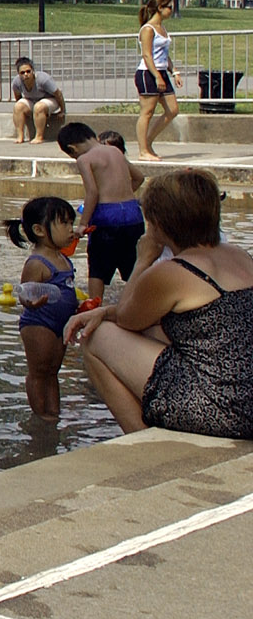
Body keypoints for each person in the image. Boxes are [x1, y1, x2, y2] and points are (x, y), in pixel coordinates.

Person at [65, 168, 253, 440]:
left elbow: (128, 318)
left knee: (97, 337)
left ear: (160, 224)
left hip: (225, 411)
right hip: (244, 399)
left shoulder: (175, 271)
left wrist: (143, 259)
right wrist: (105, 311)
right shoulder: (240, 256)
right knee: (156, 330)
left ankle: (142, 441)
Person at [5, 195, 82, 421]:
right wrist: (31, 302)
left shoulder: (61, 258)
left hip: (60, 323)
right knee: (39, 372)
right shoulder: (37, 262)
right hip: (39, 324)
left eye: (71, 223)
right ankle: (40, 415)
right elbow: (24, 294)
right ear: (39, 230)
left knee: (53, 372)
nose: (71, 229)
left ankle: (54, 412)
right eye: (65, 224)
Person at [60, 121, 146, 302]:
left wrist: (83, 224)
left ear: (72, 148)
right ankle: (140, 302)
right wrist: (124, 193)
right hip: (133, 215)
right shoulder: (115, 151)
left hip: (106, 217)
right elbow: (139, 177)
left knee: (98, 268)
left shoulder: (85, 159)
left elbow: (92, 192)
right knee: (134, 265)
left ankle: (94, 306)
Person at [135, 0, 180, 160]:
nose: (171, 11)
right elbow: (147, 55)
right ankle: (142, 151)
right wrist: (156, 76)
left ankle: (148, 141)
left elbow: (163, 54)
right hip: (148, 73)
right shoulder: (148, 29)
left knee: (173, 110)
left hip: (161, 71)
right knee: (147, 112)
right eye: (169, 7)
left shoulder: (162, 29)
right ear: (160, 8)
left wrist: (173, 71)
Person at [11, 57, 66, 145]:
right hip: (32, 100)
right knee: (18, 106)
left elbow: (58, 94)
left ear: (33, 71)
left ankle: (39, 136)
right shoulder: (16, 82)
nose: (26, 74)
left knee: (39, 107)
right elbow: (18, 97)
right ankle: (20, 136)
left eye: (28, 71)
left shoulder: (43, 79)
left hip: (50, 100)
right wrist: (23, 110)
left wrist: (63, 110)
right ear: (19, 74)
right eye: (22, 73)